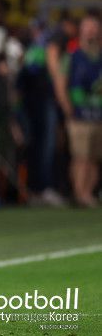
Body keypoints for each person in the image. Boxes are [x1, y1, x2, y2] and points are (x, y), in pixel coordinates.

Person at [59, 14, 102, 207]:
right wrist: (68, 109)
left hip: (98, 115)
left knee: (94, 157)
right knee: (81, 156)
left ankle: (88, 193)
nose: (92, 32)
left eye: (95, 27)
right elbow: (61, 84)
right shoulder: (72, 56)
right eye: (88, 27)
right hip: (79, 115)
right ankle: (79, 193)